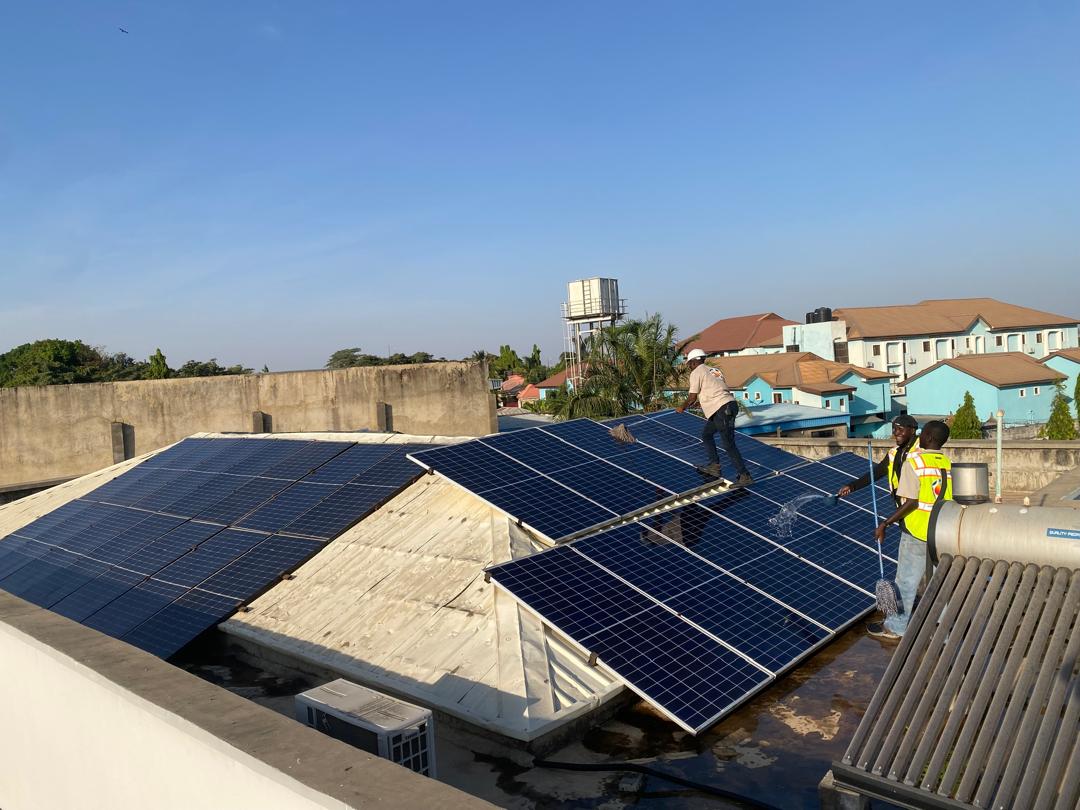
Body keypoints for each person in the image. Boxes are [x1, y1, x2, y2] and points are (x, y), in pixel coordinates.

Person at [867, 419, 953, 640]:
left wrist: (885, 523)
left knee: (905, 582)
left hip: (916, 531)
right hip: (941, 531)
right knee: (938, 582)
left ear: (929, 437)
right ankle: (943, 631)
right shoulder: (945, 462)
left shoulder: (914, 462)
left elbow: (912, 502)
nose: (919, 437)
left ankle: (896, 627)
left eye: (923, 433)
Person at [675, 349, 753, 488]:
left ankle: (745, 476)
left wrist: (682, 407)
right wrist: (703, 403)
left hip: (722, 409)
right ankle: (714, 466)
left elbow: (692, 397)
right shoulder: (714, 371)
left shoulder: (697, 372)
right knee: (707, 434)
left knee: (728, 444)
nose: (689, 366)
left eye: (689, 363)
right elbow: (715, 390)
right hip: (728, 405)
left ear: (694, 362)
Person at [836, 414, 919, 510]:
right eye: (894, 429)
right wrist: (852, 486)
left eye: (900, 429)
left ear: (912, 431)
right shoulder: (894, 453)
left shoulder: (922, 452)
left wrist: (890, 519)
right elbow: (877, 472)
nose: (896, 433)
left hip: (918, 508)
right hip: (902, 506)